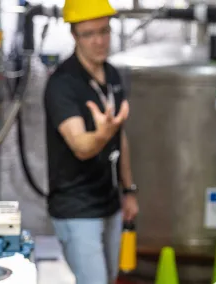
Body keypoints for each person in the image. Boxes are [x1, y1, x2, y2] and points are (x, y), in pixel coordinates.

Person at [43, 0, 139, 283]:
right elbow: (81, 146)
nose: (100, 41)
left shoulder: (112, 75)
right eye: (90, 34)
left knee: (109, 278)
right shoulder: (62, 84)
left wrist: (129, 190)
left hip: (109, 202)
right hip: (77, 208)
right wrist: (101, 135)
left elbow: (120, 137)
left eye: (104, 31)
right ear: (74, 35)